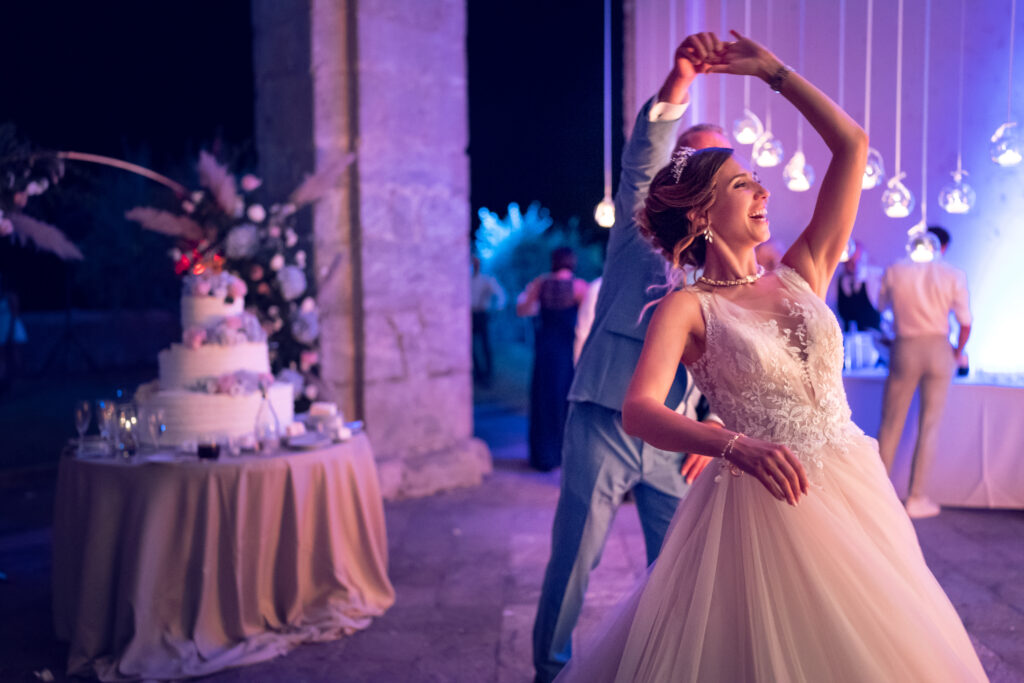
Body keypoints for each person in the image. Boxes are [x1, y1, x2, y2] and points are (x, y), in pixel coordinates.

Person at [555, 31, 986, 682]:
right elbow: (639, 409)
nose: (762, 192)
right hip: (760, 499)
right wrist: (733, 443)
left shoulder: (803, 270)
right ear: (701, 213)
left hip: (851, 485)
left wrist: (773, 73)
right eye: (742, 183)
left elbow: (853, 146)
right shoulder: (686, 307)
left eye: (757, 181)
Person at [532, 36, 729, 683]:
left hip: (679, 440)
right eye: (704, 157)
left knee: (678, 573)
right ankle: (547, 670)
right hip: (604, 419)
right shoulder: (638, 230)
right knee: (573, 563)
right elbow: (643, 154)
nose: (719, 171)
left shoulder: (731, 260)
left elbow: (739, 355)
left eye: (728, 164)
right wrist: (678, 84)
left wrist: (716, 424)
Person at [876, 226, 971, 519]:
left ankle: (877, 497)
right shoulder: (953, 274)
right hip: (939, 348)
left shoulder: (895, 269)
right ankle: (916, 498)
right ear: (942, 248)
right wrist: (957, 352)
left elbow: (881, 308)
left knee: (890, 424)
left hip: (905, 347)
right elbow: (966, 322)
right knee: (930, 425)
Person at [517, 247, 588, 471]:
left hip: (544, 350)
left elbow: (523, 309)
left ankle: (542, 455)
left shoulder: (541, 284)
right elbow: (587, 319)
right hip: (565, 352)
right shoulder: (579, 287)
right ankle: (561, 453)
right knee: (562, 399)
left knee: (542, 399)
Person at [470, 255, 507, 384]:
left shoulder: (486, 280)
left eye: (476, 263)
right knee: (471, 345)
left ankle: (488, 373)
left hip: (482, 314)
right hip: (470, 315)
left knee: (485, 344)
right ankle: (478, 373)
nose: (474, 265)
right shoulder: (467, 280)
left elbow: (500, 294)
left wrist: (497, 308)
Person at [836, 239, 883, 332]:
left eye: (857, 262)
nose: (853, 266)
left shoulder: (875, 278)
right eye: (849, 262)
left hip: (872, 339)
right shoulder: (839, 281)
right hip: (849, 338)